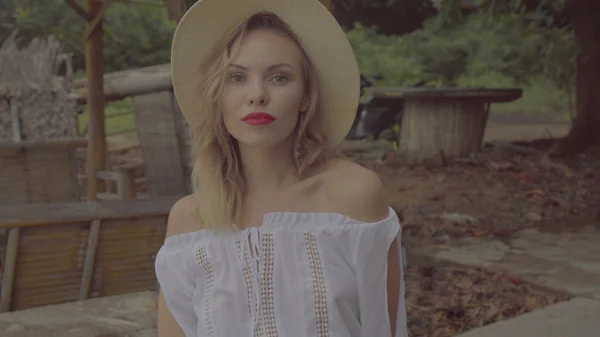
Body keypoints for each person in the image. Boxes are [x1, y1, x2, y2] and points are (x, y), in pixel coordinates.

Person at [154, 0, 408, 336]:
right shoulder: (189, 221)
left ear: (305, 96)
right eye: (237, 77)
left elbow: (383, 328)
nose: (257, 94)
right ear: (217, 96)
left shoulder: (353, 198)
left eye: (279, 77)